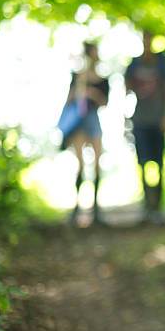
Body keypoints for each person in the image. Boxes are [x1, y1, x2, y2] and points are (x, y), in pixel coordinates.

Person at [124, 31, 165, 225]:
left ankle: (158, 208)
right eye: (144, 38)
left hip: (157, 120)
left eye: (149, 38)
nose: (147, 42)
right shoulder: (134, 64)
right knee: (143, 164)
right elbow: (126, 90)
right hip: (140, 120)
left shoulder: (162, 62)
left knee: (159, 164)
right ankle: (146, 207)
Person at [62, 42, 109, 226]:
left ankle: (96, 210)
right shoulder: (77, 76)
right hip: (79, 123)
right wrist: (81, 87)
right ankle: (76, 209)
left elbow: (105, 102)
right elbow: (70, 100)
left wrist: (93, 94)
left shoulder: (103, 79)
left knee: (97, 162)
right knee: (80, 164)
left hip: (93, 120)